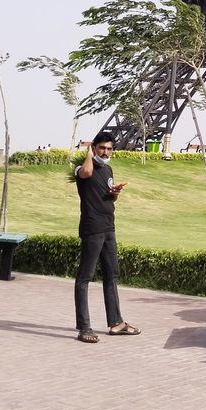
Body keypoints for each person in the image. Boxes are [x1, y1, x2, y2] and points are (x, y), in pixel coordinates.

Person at [73, 132, 140, 343]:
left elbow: (109, 197)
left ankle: (116, 323)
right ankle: (84, 328)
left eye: (109, 149)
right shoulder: (84, 168)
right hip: (92, 229)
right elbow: (85, 172)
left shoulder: (108, 169)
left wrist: (115, 192)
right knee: (85, 277)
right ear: (94, 148)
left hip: (109, 227)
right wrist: (88, 154)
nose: (106, 152)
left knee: (112, 274)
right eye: (102, 148)